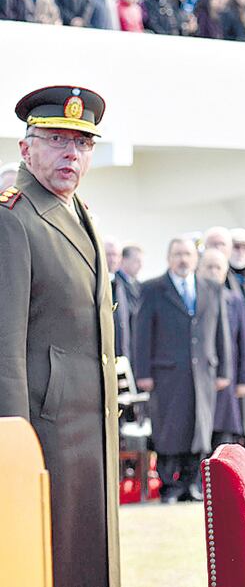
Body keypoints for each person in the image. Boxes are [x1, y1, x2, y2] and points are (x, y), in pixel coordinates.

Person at [0, 85, 120, 587]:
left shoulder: (77, 210)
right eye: (57, 140)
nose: (72, 153)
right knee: (50, 561)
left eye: (83, 144)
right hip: (46, 433)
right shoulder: (13, 218)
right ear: (26, 148)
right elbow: (4, 344)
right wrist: (13, 444)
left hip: (91, 427)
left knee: (92, 559)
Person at [134, 236, 231, 503]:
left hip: (203, 373)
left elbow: (221, 331)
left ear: (196, 258)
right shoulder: (153, 288)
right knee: (169, 429)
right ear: (169, 258)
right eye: (177, 254)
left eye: (187, 254)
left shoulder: (211, 288)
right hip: (166, 373)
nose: (183, 260)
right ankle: (169, 486)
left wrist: (224, 370)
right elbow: (142, 334)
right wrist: (143, 372)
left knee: (199, 430)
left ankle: (192, 484)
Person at [199, 247, 245, 448]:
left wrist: (244, 379)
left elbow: (243, 341)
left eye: (218, 267)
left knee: (223, 432)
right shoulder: (192, 298)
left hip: (227, 377)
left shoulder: (234, 300)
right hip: (200, 377)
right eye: (209, 267)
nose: (213, 271)